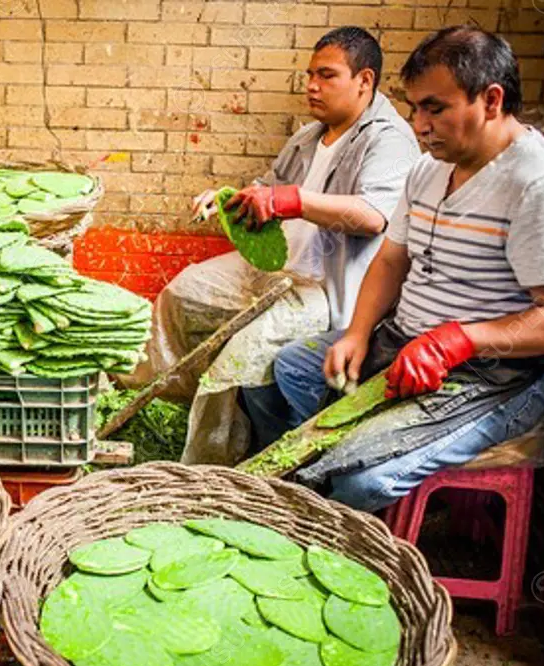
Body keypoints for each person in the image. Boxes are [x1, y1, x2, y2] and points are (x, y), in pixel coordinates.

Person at [272, 26, 544, 511]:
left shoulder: (541, 186)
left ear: (491, 99)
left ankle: (362, 518)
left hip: (494, 376)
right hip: (404, 342)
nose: (419, 124)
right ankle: (339, 480)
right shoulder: (428, 170)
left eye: (435, 108)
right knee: (294, 368)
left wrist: (457, 340)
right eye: (415, 107)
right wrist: (358, 333)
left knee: (363, 480)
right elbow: (391, 258)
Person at [121, 27, 419, 465]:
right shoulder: (309, 136)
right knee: (184, 294)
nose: (312, 86)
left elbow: (374, 215)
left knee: (241, 356)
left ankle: (212, 464)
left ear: (365, 81)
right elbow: (267, 188)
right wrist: (227, 199)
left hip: (326, 290)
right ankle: (162, 403)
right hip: (276, 270)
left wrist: (290, 201)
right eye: (310, 75)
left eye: (327, 75)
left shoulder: (388, 140)